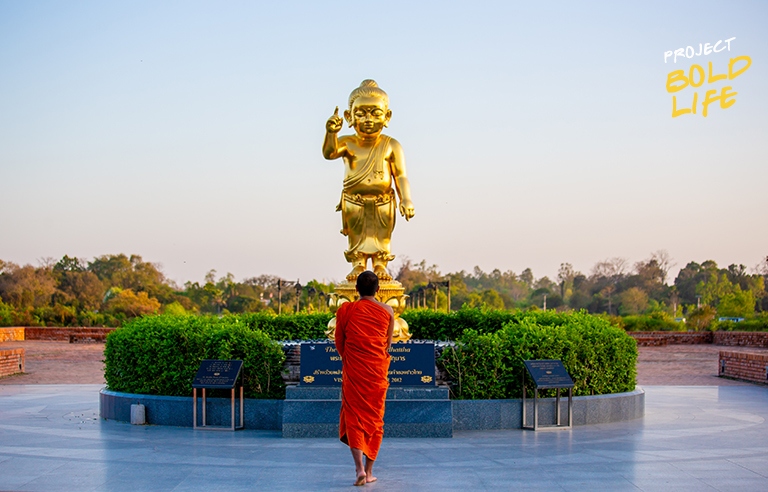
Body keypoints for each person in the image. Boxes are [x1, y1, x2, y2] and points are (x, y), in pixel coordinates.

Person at [323, 79, 415, 281]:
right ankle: (358, 263)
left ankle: (381, 264)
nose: (368, 119)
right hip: (354, 201)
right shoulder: (348, 142)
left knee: (382, 235)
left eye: (375, 113)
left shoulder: (392, 145)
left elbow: (400, 175)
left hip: (383, 201)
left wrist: (405, 199)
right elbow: (329, 153)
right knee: (356, 235)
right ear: (349, 116)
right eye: (361, 113)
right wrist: (331, 133)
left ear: (387, 116)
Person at [334, 270, 395, 486]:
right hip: (376, 373)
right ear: (378, 290)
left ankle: (358, 468)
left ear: (356, 289)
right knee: (375, 420)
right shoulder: (388, 311)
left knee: (354, 416)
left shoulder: (346, 310)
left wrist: (350, 359)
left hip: (354, 371)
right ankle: (369, 472)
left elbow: (339, 341)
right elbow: (387, 345)